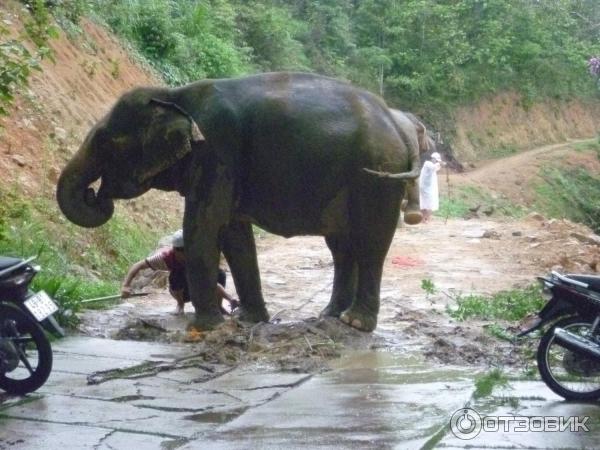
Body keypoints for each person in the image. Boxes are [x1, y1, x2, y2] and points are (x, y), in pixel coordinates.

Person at [121, 230, 238, 315]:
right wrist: (126, 286)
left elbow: (210, 282)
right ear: (175, 250)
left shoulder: (196, 257)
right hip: (181, 292)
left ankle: (218, 306)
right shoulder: (165, 258)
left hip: (200, 288)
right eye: (181, 250)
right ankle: (180, 305)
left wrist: (230, 299)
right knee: (177, 274)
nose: (185, 254)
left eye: (187, 249)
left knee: (220, 274)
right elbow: (138, 265)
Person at [419, 152, 444, 223]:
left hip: (428, 187)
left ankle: (425, 218)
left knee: (428, 202)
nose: (436, 161)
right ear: (433, 159)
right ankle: (425, 218)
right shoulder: (427, 163)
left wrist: (441, 164)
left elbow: (436, 168)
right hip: (424, 187)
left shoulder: (433, 165)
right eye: (436, 160)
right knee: (426, 202)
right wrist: (440, 163)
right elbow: (433, 167)